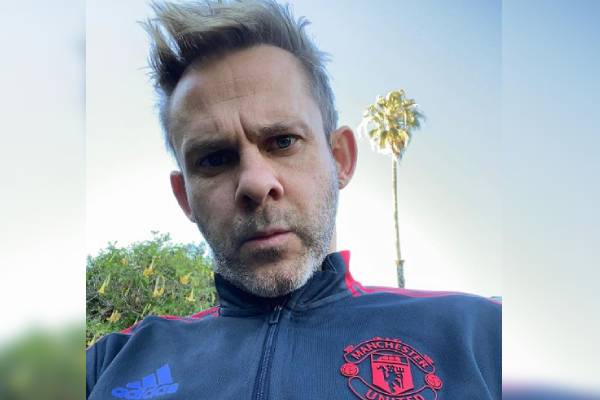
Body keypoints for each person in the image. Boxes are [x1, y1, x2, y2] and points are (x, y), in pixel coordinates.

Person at [86, 1, 501, 399]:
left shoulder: (482, 335)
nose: (255, 183)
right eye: (214, 159)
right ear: (185, 197)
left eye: (283, 141)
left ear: (340, 158)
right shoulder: (107, 364)